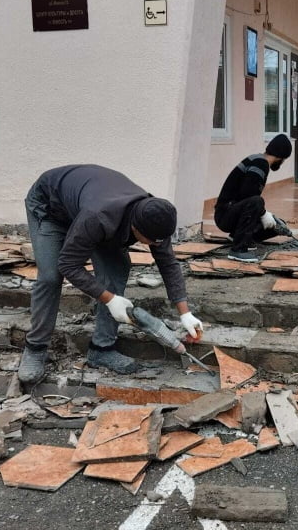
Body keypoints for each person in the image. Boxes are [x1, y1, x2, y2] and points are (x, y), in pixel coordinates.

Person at [19, 164, 203, 383]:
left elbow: (168, 263)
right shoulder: (99, 217)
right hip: (50, 207)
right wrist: (109, 299)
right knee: (50, 276)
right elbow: (69, 265)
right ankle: (35, 348)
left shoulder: (154, 215)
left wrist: (185, 313)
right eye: (152, 241)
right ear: (136, 228)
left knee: (116, 268)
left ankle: (101, 350)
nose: (156, 245)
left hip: (86, 205)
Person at [214, 134, 293, 262]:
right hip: (224, 215)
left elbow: (246, 198)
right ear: (280, 156)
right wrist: (263, 213)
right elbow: (249, 196)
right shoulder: (260, 163)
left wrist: (270, 218)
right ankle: (238, 250)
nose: (282, 162)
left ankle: (237, 236)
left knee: (277, 225)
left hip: (231, 212)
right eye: (284, 159)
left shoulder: (258, 160)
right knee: (257, 202)